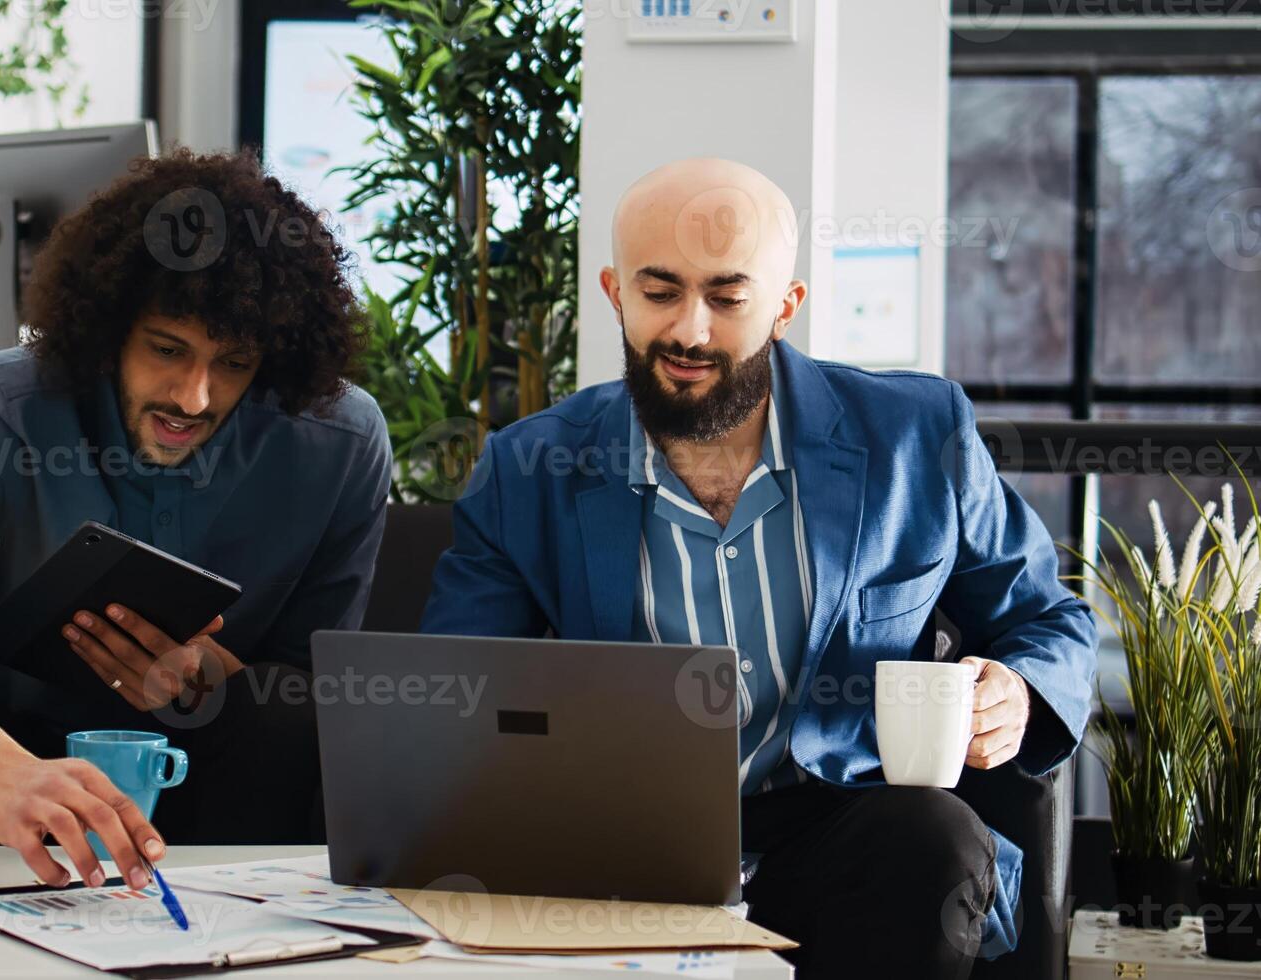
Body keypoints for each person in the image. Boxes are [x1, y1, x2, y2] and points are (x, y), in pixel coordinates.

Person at [421, 157, 1098, 979]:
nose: (690, 332)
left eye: (727, 297)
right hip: (623, 848)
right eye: (660, 291)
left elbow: (1048, 619)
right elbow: (454, 697)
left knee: (931, 839)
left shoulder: (918, 436)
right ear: (614, 293)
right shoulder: (526, 468)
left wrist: (1021, 693)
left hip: (847, 830)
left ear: (784, 307)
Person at [0, 148, 392, 979]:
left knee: (276, 716)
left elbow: (312, 687)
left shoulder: (341, 443)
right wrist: (2, 775)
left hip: (206, 773)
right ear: (104, 332)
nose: (195, 397)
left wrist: (203, 676)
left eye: (233, 364)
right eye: (167, 349)